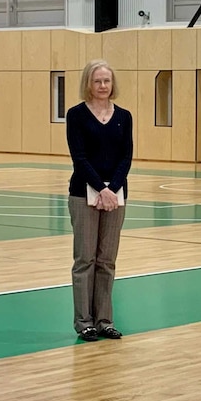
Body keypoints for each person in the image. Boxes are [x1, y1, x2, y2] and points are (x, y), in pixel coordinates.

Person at [66, 59, 133, 342]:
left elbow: (125, 157)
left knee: (107, 260)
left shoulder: (124, 116)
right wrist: (100, 189)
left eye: (106, 81)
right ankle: (84, 322)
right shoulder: (76, 115)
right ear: (88, 84)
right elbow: (79, 158)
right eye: (97, 81)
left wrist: (113, 188)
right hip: (84, 193)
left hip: (116, 195)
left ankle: (104, 320)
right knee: (85, 259)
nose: (103, 86)